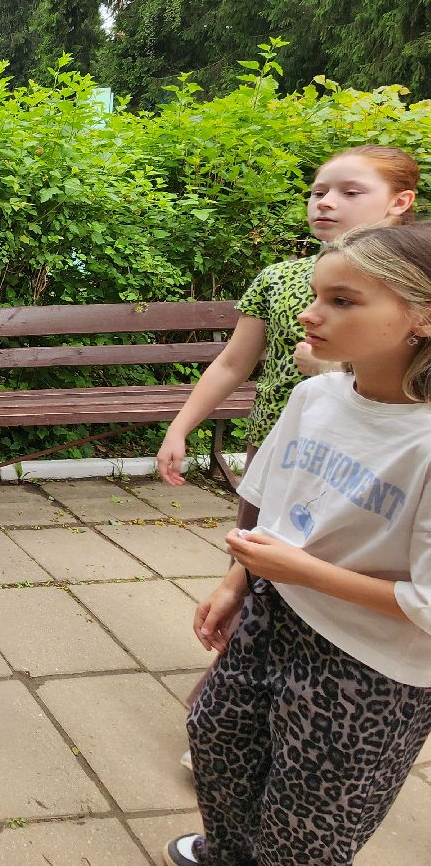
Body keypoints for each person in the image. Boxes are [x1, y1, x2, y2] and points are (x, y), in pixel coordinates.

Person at [165, 222, 431, 866]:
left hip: (372, 670)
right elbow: (276, 506)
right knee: (219, 743)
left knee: (307, 821)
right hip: (272, 615)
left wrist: (301, 572)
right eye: (317, 295)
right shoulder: (315, 396)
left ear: (421, 317)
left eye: (343, 301)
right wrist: (238, 583)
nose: (310, 316)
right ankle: (225, 852)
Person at [156, 145, 420, 514]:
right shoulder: (279, 278)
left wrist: (333, 368)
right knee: (251, 560)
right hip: (276, 444)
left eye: (350, 192)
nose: (325, 202)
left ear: (400, 200)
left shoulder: (414, 285)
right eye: (317, 192)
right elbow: (233, 364)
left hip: (375, 460)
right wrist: (180, 427)